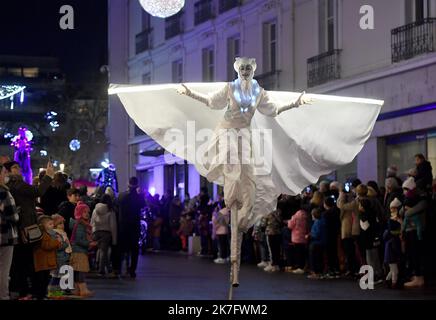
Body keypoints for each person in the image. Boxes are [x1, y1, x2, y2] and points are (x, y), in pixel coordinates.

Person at [112, 56, 382, 286]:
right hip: (228, 136)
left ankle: (240, 231)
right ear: (236, 69)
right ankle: (234, 222)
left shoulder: (258, 92)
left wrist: (296, 104)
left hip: (245, 139)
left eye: (248, 68)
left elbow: (273, 110)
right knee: (232, 180)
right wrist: (189, 93)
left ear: (252, 69)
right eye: (241, 68)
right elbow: (210, 103)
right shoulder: (229, 89)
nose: (244, 72)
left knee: (249, 185)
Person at [4, 160, 54, 300]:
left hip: (19, 228)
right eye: (14, 167)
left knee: (19, 262)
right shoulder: (17, 184)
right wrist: (49, 176)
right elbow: (37, 191)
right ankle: (28, 291)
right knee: (26, 261)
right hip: (26, 228)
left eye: (18, 167)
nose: (18, 170)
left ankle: (21, 290)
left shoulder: (11, 185)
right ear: (7, 171)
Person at [117, 177, 146, 278]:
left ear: (128, 183)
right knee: (134, 249)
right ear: (137, 184)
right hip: (134, 226)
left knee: (122, 249)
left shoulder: (121, 196)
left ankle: (120, 269)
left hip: (123, 226)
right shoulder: (139, 197)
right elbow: (144, 206)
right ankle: (132, 270)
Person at [0, 164, 19, 300]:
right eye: (3, 172)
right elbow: (12, 216)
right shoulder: (3, 192)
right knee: (3, 271)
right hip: (4, 236)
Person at [70, 202, 96, 297]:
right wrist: (89, 243)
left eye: (87, 212)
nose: (87, 214)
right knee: (81, 271)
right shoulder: (80, 225)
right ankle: (83, 290)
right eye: (84, 212)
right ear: (79, 213)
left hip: (79, 251)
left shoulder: (81, 224)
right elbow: (78, 240)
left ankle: (76, 290)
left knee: (77, 271)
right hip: (79, 251)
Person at [33, 215, 61, 300]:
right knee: (42, 280)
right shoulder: (43, 235)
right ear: (42, 226)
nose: (52, 225)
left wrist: (57, 242)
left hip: (46, 262)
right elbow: (46, 246)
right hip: (43, 263)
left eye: (52, 224)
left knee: (45, 280)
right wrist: (57, 241)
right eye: (50, 224)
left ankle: (43, 294)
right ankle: (40, 295)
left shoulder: (48, 234)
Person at [358, 198, 383, 285]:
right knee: (376, 257)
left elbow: (364, 227)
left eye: (360, 205)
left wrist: (360, 216)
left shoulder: (364, 215)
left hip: (367, 239)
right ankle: (379, 274)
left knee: (370, 258)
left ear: (363, 207)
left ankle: (372, 277)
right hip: (375, 237)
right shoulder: (373, 212)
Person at [91, 194, 117, 276]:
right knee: (103, 251)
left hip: (96, 231)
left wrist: (91, 232)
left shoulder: (95, 209)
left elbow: (92, 221)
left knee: (100, 250)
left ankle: (102, 266)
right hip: (106, 232)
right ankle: (101, 270)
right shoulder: (110, 210)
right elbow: (113, 225)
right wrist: (114, 239)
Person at [48, 214, 72, 297]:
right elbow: (59, 246)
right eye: (60, 223)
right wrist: (65, 244)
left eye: (63, 223)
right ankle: (52, 292)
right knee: (56, 276)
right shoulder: (55, 233)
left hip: (64, 256)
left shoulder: (61, 233)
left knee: (62, 275)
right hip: (59, 258)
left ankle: (60, 291)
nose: (62, 225)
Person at [384, 198, 402, 289]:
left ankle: (388, 281)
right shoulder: (393, 222)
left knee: (393, 269)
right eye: (391, 208)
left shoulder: (393, 221)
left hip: (391, 250)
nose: (392, 210)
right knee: (394, 269)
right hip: (392, 250)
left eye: (394, 208)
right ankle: (393, 283)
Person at [323, 196, 341, 278]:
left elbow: (325, 225)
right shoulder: (337, 211)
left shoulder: (326, 213)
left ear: (326, 204)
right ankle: (337, 270)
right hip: (335, 233)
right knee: (334, 252)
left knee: (329, 253)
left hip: (327, 234)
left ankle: (331, 271)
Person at [307, 208, 326, 279]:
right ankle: (320, 272)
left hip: (316, 243)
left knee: (314, 258)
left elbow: (316, 234)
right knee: (320, 258)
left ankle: (315, 273)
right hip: (322, 242)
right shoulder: (323, 221)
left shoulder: (317, 222)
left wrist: (309, 235)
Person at [287, 209, 309, 274]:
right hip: (303, 237)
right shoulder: (306, 217)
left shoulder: (295, 217)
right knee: (302, 252)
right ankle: (303, 266)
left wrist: (289, 221)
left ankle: (300, 267)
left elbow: (290, 226)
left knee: (298, 253)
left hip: (296, 237)